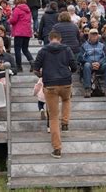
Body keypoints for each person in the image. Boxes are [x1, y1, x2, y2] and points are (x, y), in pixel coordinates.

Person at [33, 30, 77, 159]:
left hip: (50, 84)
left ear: (49, 39)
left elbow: (36, 68)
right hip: (65, 82)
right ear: (60, 39)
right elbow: (74, 67)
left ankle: (57, 149)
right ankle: (65, 122)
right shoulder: (67, 49)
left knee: (52, 117)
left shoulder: (43, 50)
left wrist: (42, 75)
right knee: (66, 100)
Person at [79, 28, 106, 98]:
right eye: (92, 35)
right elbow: (81, 58)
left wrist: (99, 63)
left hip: (100, 65)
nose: (94, 37)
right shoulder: (84, 46)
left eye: (95, 35)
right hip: (89, 66)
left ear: (98, 36)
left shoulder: (102, 45)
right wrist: (91, 63)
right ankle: (87, 89)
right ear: (89, 36)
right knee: (87, 65)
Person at [9, 0, 34, 72]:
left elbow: (13, 20)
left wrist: (8, 20)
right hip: (27, 32)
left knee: (17, 49)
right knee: (25, 49)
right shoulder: (28, 10)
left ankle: (19, 66)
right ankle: (32, 63)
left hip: (19, 32)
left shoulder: (17, 9)